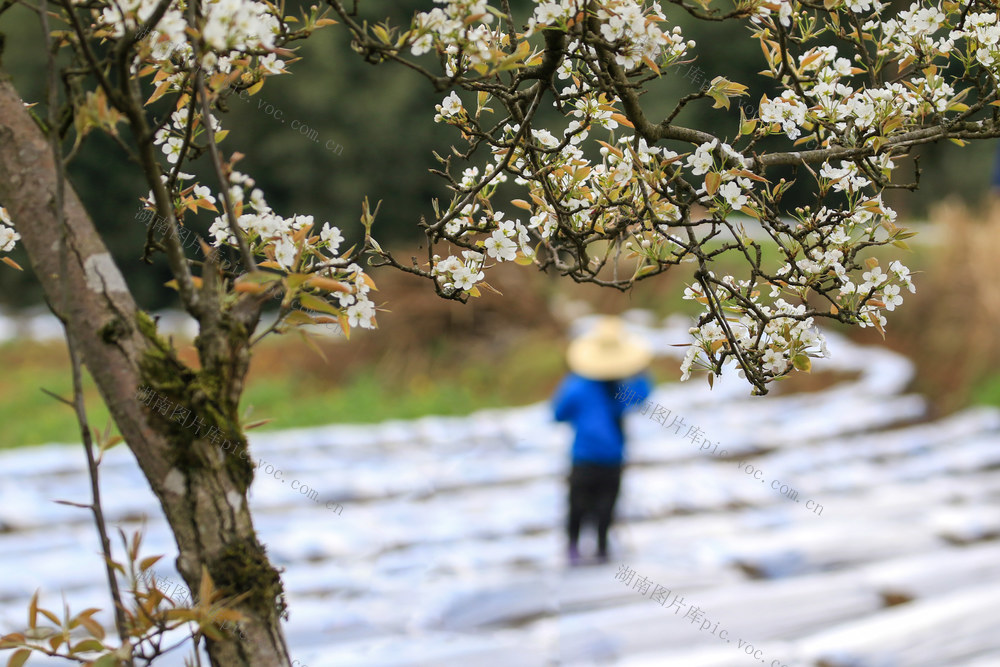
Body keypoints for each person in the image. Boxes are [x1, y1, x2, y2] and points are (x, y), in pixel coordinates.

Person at [553, 316, 653, 566]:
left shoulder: (577, 385)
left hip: (584, 456)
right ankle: (601, 549)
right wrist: (639, 372)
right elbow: (642, 396)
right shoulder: (620, 387)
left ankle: (573, 550)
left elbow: (558, 413)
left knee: (578, 505)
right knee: (606, 505)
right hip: (612, 456)